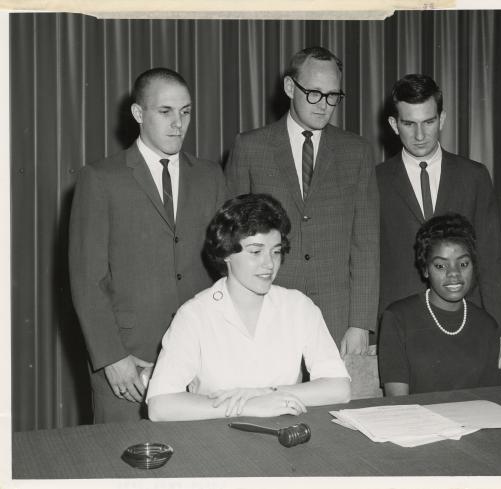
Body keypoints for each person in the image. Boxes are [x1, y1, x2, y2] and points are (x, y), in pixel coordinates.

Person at [69, 67, 228, 423]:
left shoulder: (210, 175)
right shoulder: (100, 178)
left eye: (186, 112)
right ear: (139, 114)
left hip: (200, 356)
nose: (178, 123)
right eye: (165, 111)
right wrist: (111, 358)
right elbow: (86, 279)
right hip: (129, 362)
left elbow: (226, 267)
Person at [225, 46, 379, 355]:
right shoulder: (250, 147)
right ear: (289, 87)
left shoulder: (357, 151)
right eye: (314, 93)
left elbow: (366, 243)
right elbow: (231, 240)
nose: (324, 106)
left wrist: (360, 323)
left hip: (336, 320)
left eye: (333, 96)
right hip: (265, 312)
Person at [146, 194, 351, 421]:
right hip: (215, 440)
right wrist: (248, 406)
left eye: (276, 251)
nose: (269, 264)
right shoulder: (195, 314)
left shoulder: (298, 306)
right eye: (255, 252)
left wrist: (266, 394)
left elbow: (339, 388)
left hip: (285, 434)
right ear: (226, 253)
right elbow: (160, 405)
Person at [377, 73, 501, 367]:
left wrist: (497, 331)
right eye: (409, 124)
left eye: (429, 122)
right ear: (394, 125)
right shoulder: (375, 181)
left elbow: (491, 260)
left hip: (465, 324)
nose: (420, 135)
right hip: (402, 330)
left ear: (442, 119)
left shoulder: (474, 176)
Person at [378, 213, 501, 395]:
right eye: (440, 266)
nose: (454, 273)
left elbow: (492, 401)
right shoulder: (397, 318)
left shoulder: (487, 326)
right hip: (416, 421)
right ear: (425, 269)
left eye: (463, 264)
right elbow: (398, 403)